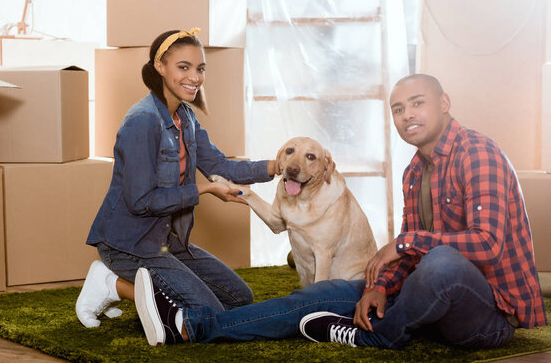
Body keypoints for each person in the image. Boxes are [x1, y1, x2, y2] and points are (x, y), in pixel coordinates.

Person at [132, 73, 547, 348]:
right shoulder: (412, 172)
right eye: (398, 110)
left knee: (440, 261)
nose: (407, 116)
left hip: (488, 317)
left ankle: (371, 337)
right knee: (319, 294)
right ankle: (193, 325)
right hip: (426, 301)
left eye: (417, 103)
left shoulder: (479, 154)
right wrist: (381, 284)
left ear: (444, 103)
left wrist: (402, 245)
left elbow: (487, 244)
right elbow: (408, 256)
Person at [75, 28, 277, 328]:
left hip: (166, 241)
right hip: (128, 245)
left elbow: (221, 164)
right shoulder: (142, 122)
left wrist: (277, 166)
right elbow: (141, 201)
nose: (194, 78)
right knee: (211, 316)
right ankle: (111, 283)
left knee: (239, 298)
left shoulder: (187, 117)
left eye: (200, 69)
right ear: (160, 67)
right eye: (184, 67)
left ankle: (125, 287)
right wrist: (205, 189)